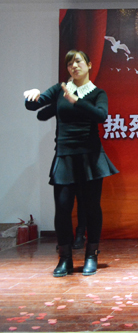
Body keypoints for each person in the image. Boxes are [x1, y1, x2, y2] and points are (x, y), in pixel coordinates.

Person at [24, 50, 118, 277]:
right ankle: (65, 258)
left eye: (78, 62)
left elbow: (101, 115)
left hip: (90, 157)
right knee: (63, 208)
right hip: (65, 156)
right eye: (69, 64)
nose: (73, 66)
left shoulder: (97, 93)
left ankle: (91, 255)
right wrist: (32, 94)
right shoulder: (60, 89)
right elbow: (34, 108)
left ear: (89, 65)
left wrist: (76, 101)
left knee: (92, 208)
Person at [36, 104, 88, 250]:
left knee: (83, 199)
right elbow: (41, 115)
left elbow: (100, 116)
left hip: (84, 154)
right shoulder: (61, 100)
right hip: (64, 156)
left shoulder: (88, 99)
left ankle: (80, 234)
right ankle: (66, 237)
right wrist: (59, 101)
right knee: (62, 202)